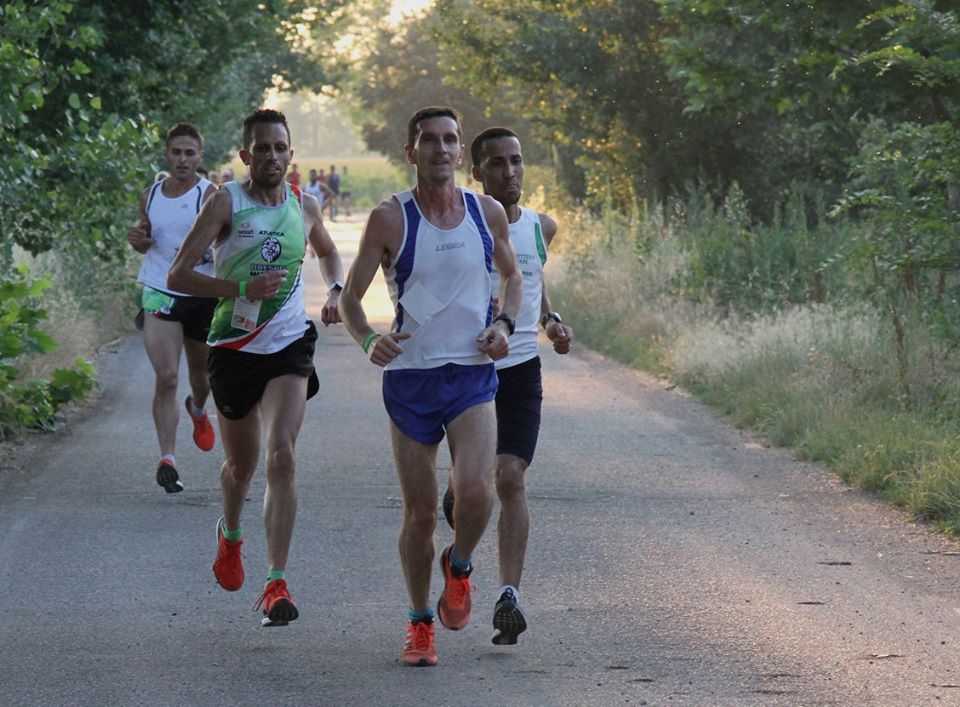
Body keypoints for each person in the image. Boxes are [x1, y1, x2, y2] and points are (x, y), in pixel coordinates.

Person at [338, 106, 522, 667]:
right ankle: (420, 623)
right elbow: (350, 300)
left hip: (471, 375)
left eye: (449, 141)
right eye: (429, 141)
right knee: (419, 515)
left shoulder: (486, 212)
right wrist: (369, 341)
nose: (440, 150)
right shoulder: (391, 218)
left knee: (474, 492)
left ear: (460, 151)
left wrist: (504, 325)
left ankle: (460, 566)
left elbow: (512, 278)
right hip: (411, 380)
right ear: (410, 150)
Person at [167, 108, 345, 627]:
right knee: (240, 469)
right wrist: (240, 288)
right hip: (233, 348)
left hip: (289, 346)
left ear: (292, 154)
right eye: (261, 148)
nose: (272, 156)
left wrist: (335, 289)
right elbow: (180, 273)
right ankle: (231, 532)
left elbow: (330, 255)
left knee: (282, 458)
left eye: (280, 147)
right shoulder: (226, 201)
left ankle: (276, 582)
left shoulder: (304, 204)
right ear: (246, 155)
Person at [443, 127, 574, 646]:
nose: (510, 171)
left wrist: (552, 321)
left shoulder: (543, 225)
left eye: (516, 161)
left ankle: (508, 597)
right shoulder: (461, 223)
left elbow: (533, 281)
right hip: (472, 373)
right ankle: (460, 562)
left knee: (511, 476)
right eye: (496, 163)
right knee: (465, 493)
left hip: (521, 372)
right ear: (476, 172)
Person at [127, 122, 218, 494]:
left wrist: (214, 252)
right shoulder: (151, 194)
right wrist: (140, 240)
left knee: (203, 378)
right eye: (176, 153)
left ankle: (197, 409)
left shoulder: (210, 194)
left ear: (200, 157)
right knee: (166, 376)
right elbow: (147, 237)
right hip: (159, 289)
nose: (182, 160)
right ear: (167, 154)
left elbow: (226, 240)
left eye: (189, 153)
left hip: (200, 293)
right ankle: (168, 458)